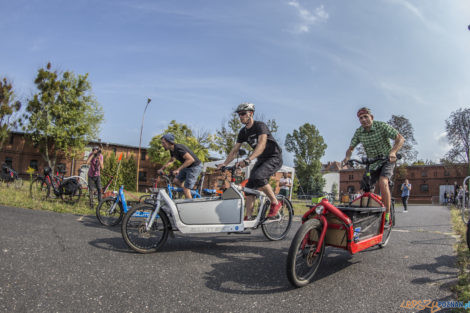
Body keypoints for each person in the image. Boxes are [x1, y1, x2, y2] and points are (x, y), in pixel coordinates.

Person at [217, 102, 283, 220]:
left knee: (258, 177)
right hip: (262, 159)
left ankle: (275, 202)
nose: (241, 117)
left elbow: (261, 145)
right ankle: (248, 218)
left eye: (243, 114)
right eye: (239, 114)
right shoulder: (243, 132)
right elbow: (234, 150)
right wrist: (225, 164)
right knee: (249, 188)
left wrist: (248, 160)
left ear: (251, 114)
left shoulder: (260, 126)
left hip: (274, 157)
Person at [342, 107, 404, 224]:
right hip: (372, 163)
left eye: (366, 117)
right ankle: (365, 213)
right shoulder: (359, 132)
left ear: (371, 117)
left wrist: (393, 152)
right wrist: (347, 158)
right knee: (363, 189)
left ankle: (387, 214)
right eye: (361, 118)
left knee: (383, 182)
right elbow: (350, 148)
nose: (363, 120)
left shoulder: (381, 126)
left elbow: (400, 139)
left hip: (386, 160)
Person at [158, 133, 203, 199]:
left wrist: (178, 170)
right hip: (187, 166)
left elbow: (190, 160)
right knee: (176, 181)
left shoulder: (178, 148)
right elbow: (171, 160)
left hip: (195, 166)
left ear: (169, 142)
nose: (162, 145)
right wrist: (162, 168)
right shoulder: (172, 150)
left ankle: (190, 206)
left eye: (163, 143)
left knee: (186, 189)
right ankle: (189, 193)